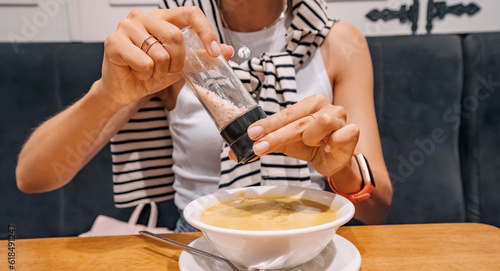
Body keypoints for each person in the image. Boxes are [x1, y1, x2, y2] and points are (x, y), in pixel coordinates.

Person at [16, 0, 392, 231]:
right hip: (199, 243)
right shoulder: (170, 41)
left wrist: (340, 168)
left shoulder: (340, 42)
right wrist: (107, 94)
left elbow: (377, 209)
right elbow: (33, 177)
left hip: (313, 232)